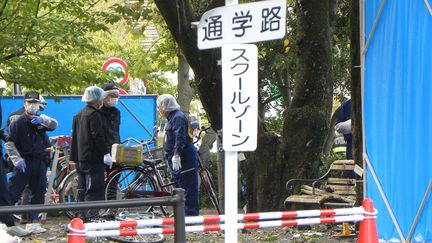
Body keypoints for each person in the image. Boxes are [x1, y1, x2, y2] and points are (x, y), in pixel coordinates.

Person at [5, 91, 57, 234]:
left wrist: (44, 121)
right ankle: (5, 222)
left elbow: (54, 125)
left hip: (39, 160)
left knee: (38, 191)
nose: (33, 106)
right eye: (30, 102)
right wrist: (16, 159)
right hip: (24, 161)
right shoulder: (17, 122)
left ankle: (33, 222)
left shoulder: (41, 120)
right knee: (14, 191)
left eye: (35, 102)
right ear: (24, 104)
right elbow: (9, 143)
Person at [70, 86, 111, 220]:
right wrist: (106, 153)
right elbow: (98, 136)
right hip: (93, 158)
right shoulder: (95, 115)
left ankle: (80, 216)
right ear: (96, 99)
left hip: (80, 158)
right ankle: (91, 216)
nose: (102, 101)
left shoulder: (78, 114)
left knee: (82, 188)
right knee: (94, 188)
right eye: (101, 99)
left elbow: (75, 137)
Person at [157, 94, 199, 216]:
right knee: (180, 185)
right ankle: (182, 214)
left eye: (160, 106)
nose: (159, 109)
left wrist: (176, 154)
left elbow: (180, 138)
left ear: (165, 106)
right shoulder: (171, 117)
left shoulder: (177, 117)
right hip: (178, 156)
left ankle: (190, 216)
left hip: (184, 156)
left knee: (188, 187)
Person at [0, 101, 31, 237]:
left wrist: (5, 137)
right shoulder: (16, 116)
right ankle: (8, 223)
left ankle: (9, 223)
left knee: (3, 190)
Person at [100, 83, 121, 156]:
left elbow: (116, 132)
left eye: (116, 96)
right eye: (112, 95)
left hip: (115, 149)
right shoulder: (96, 112)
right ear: (103, 96)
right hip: (101, 151)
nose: (115, 98)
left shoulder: (116, 112)